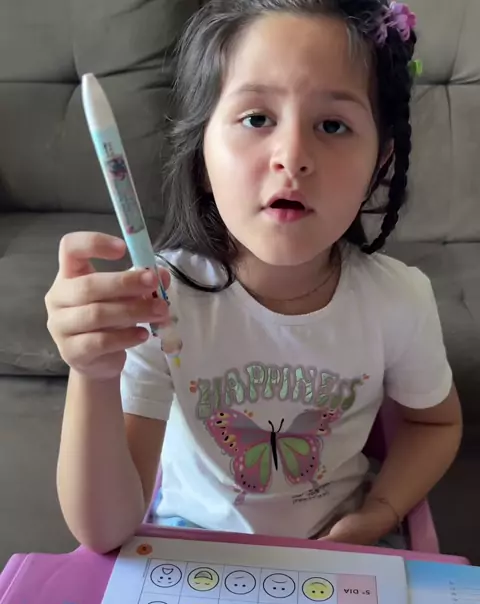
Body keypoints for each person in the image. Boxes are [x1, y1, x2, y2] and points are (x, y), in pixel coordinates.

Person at [45, 0, 462, 553]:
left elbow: (436, 424)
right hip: (191, 548)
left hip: (340, 548)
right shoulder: (158, 301)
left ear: (379, 165)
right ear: (201, 154)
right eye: (257, 119)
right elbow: (104, 532)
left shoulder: (399, 300)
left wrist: (380, 511)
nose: (292, 156)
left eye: (332, 125)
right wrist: (92, 374)